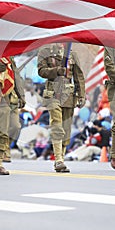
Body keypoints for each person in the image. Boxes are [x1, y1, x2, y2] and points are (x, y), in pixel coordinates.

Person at [37, 43, 85, 172]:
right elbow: (41, 71)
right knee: (57, 125)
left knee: (66, 129)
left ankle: (61, 157)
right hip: (53, 93)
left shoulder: (72, 52)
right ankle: (58, 160)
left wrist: (81, 95)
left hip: (69, 95)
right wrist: (56, 71)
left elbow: (78, 75)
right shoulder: (45, 50)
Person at [3, 56, 26, 162]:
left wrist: (21, 96)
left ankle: (6, 145)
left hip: (12, 98)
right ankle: (4, 150)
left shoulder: (10, 57)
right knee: (2, 126)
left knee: (16, 126)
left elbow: (16, 77)